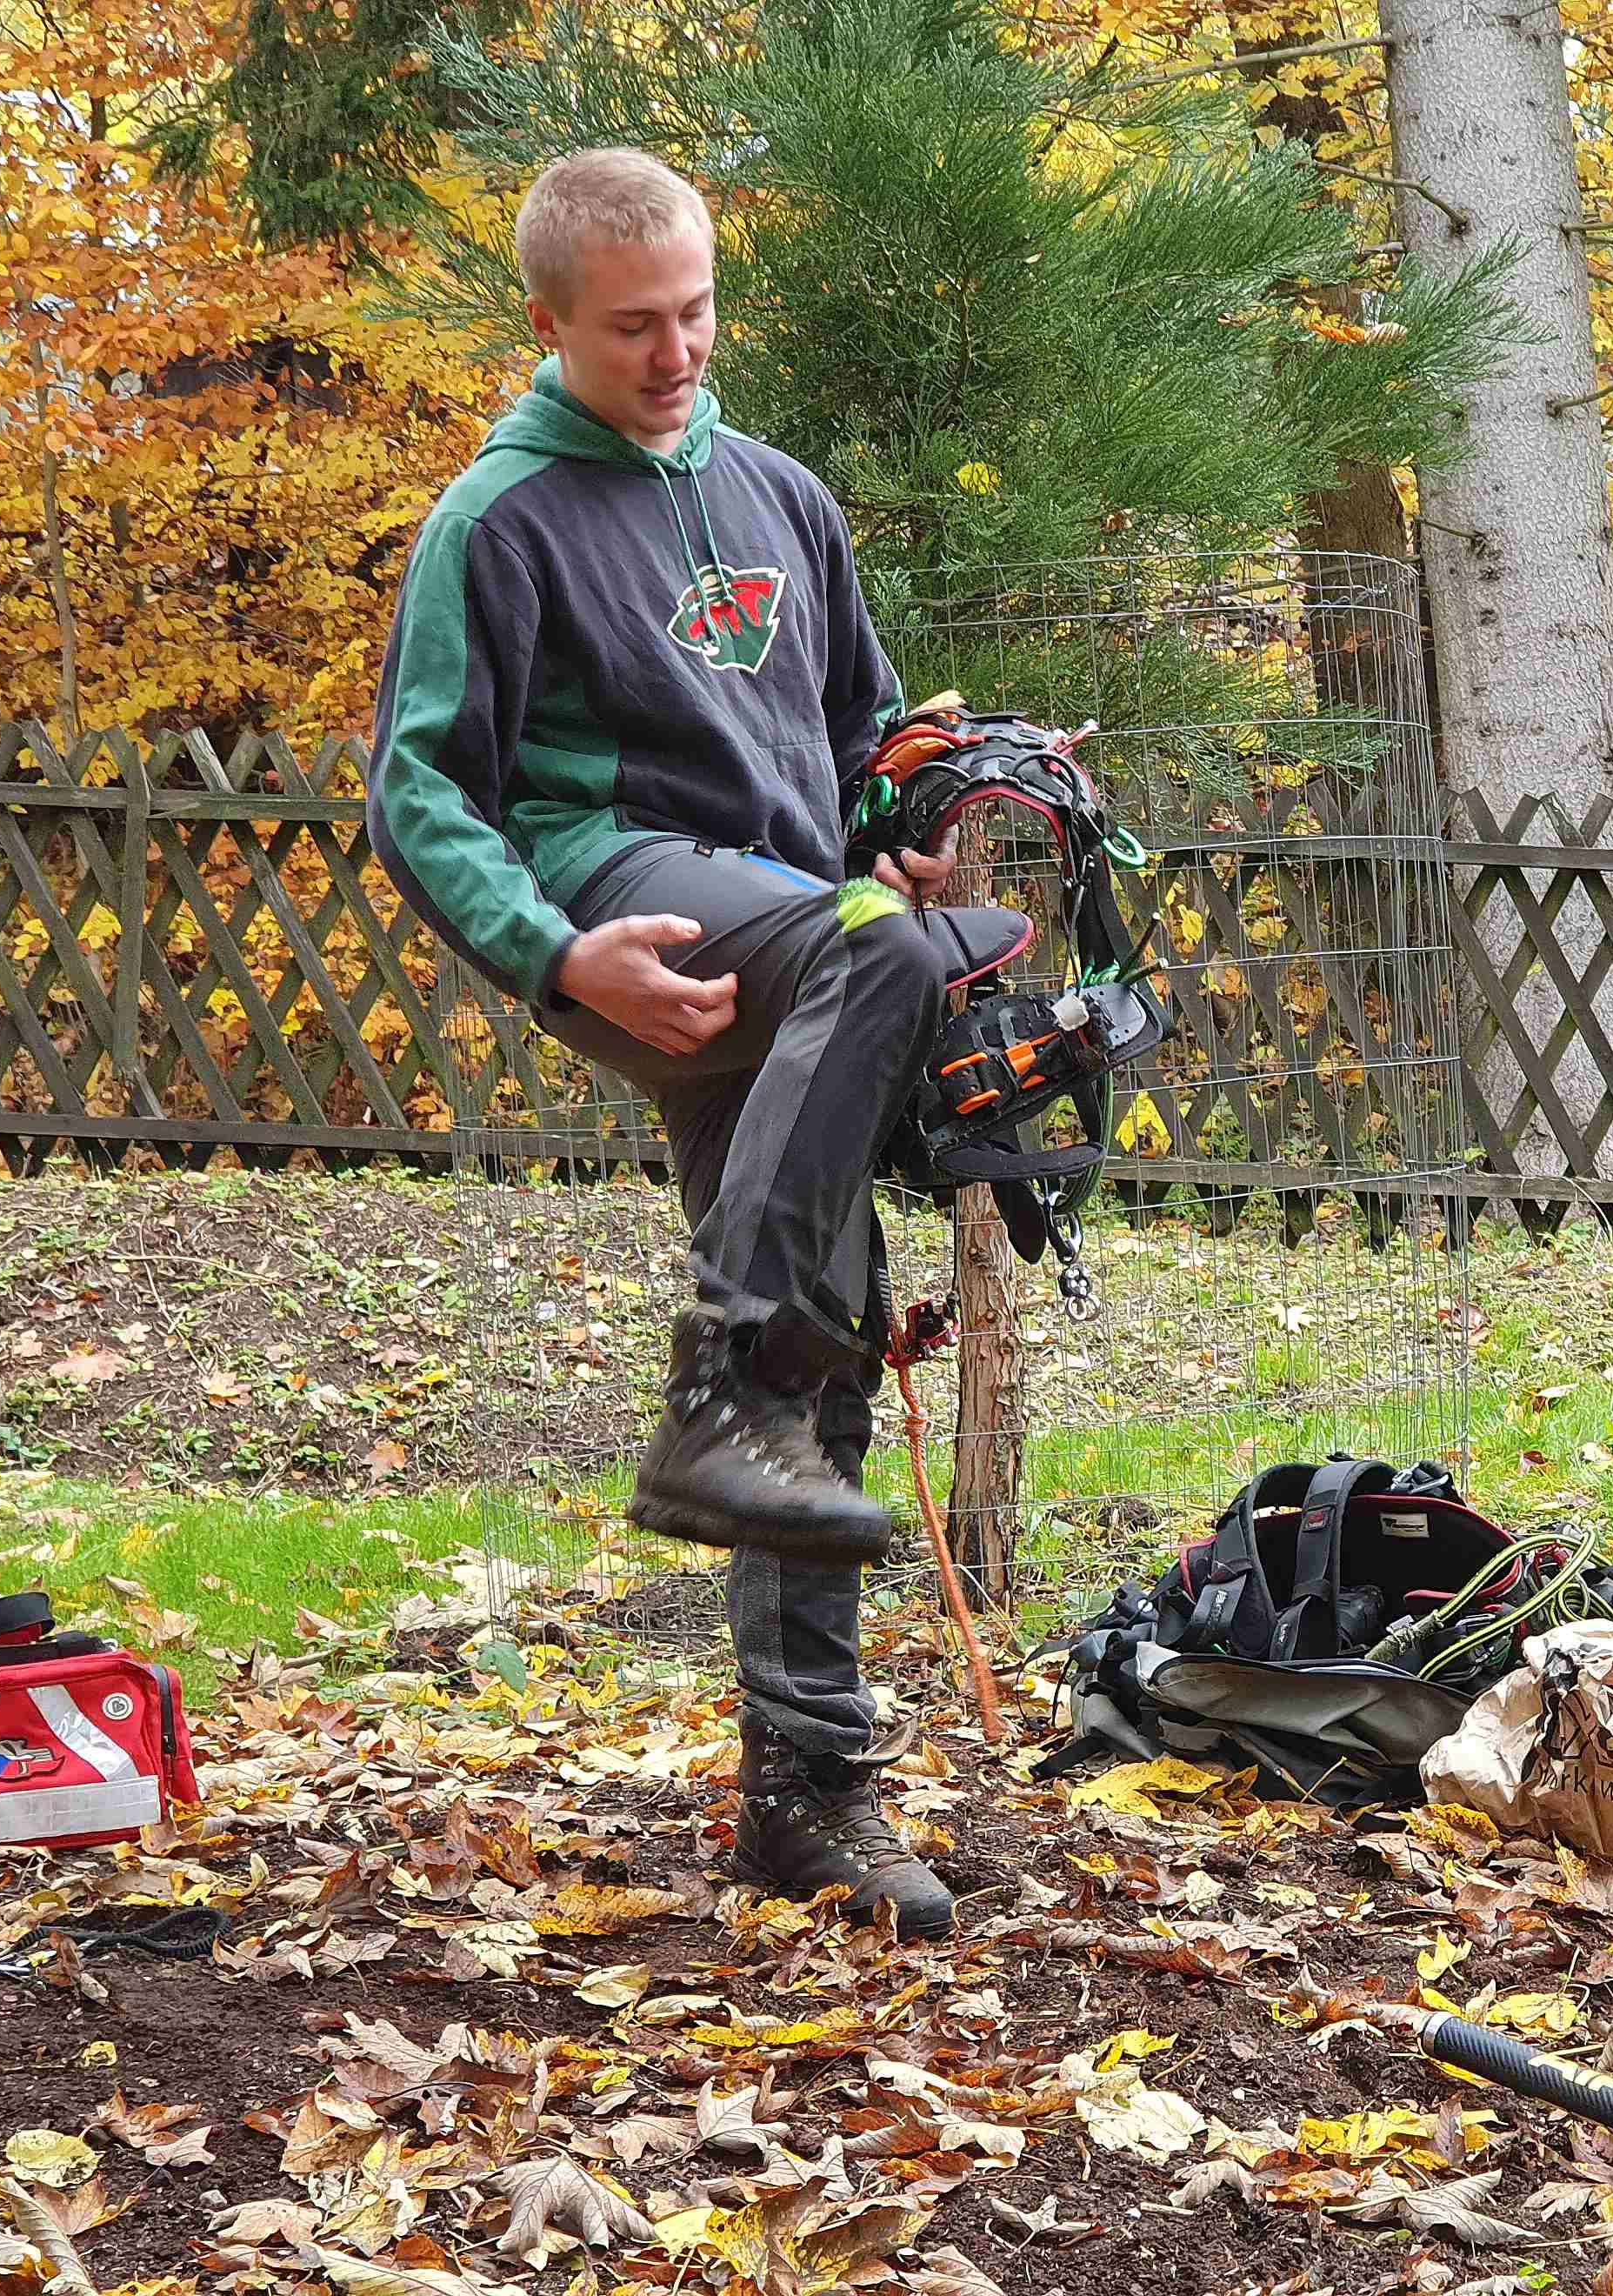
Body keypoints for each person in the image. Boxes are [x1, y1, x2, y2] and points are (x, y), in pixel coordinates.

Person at [363, 147, 975, 1936]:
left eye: (699, 309)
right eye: (636, 325)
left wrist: (912, 814)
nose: (678, 349)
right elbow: (416, 791)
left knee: (832, 1334)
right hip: (622, 899)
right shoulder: (501, 518)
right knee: (883, 959)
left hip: (788, 932)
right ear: (551, 322)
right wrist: (556, 960)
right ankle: (715, 1381)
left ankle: (808, 1795)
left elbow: (858, 740)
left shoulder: (781, 494)